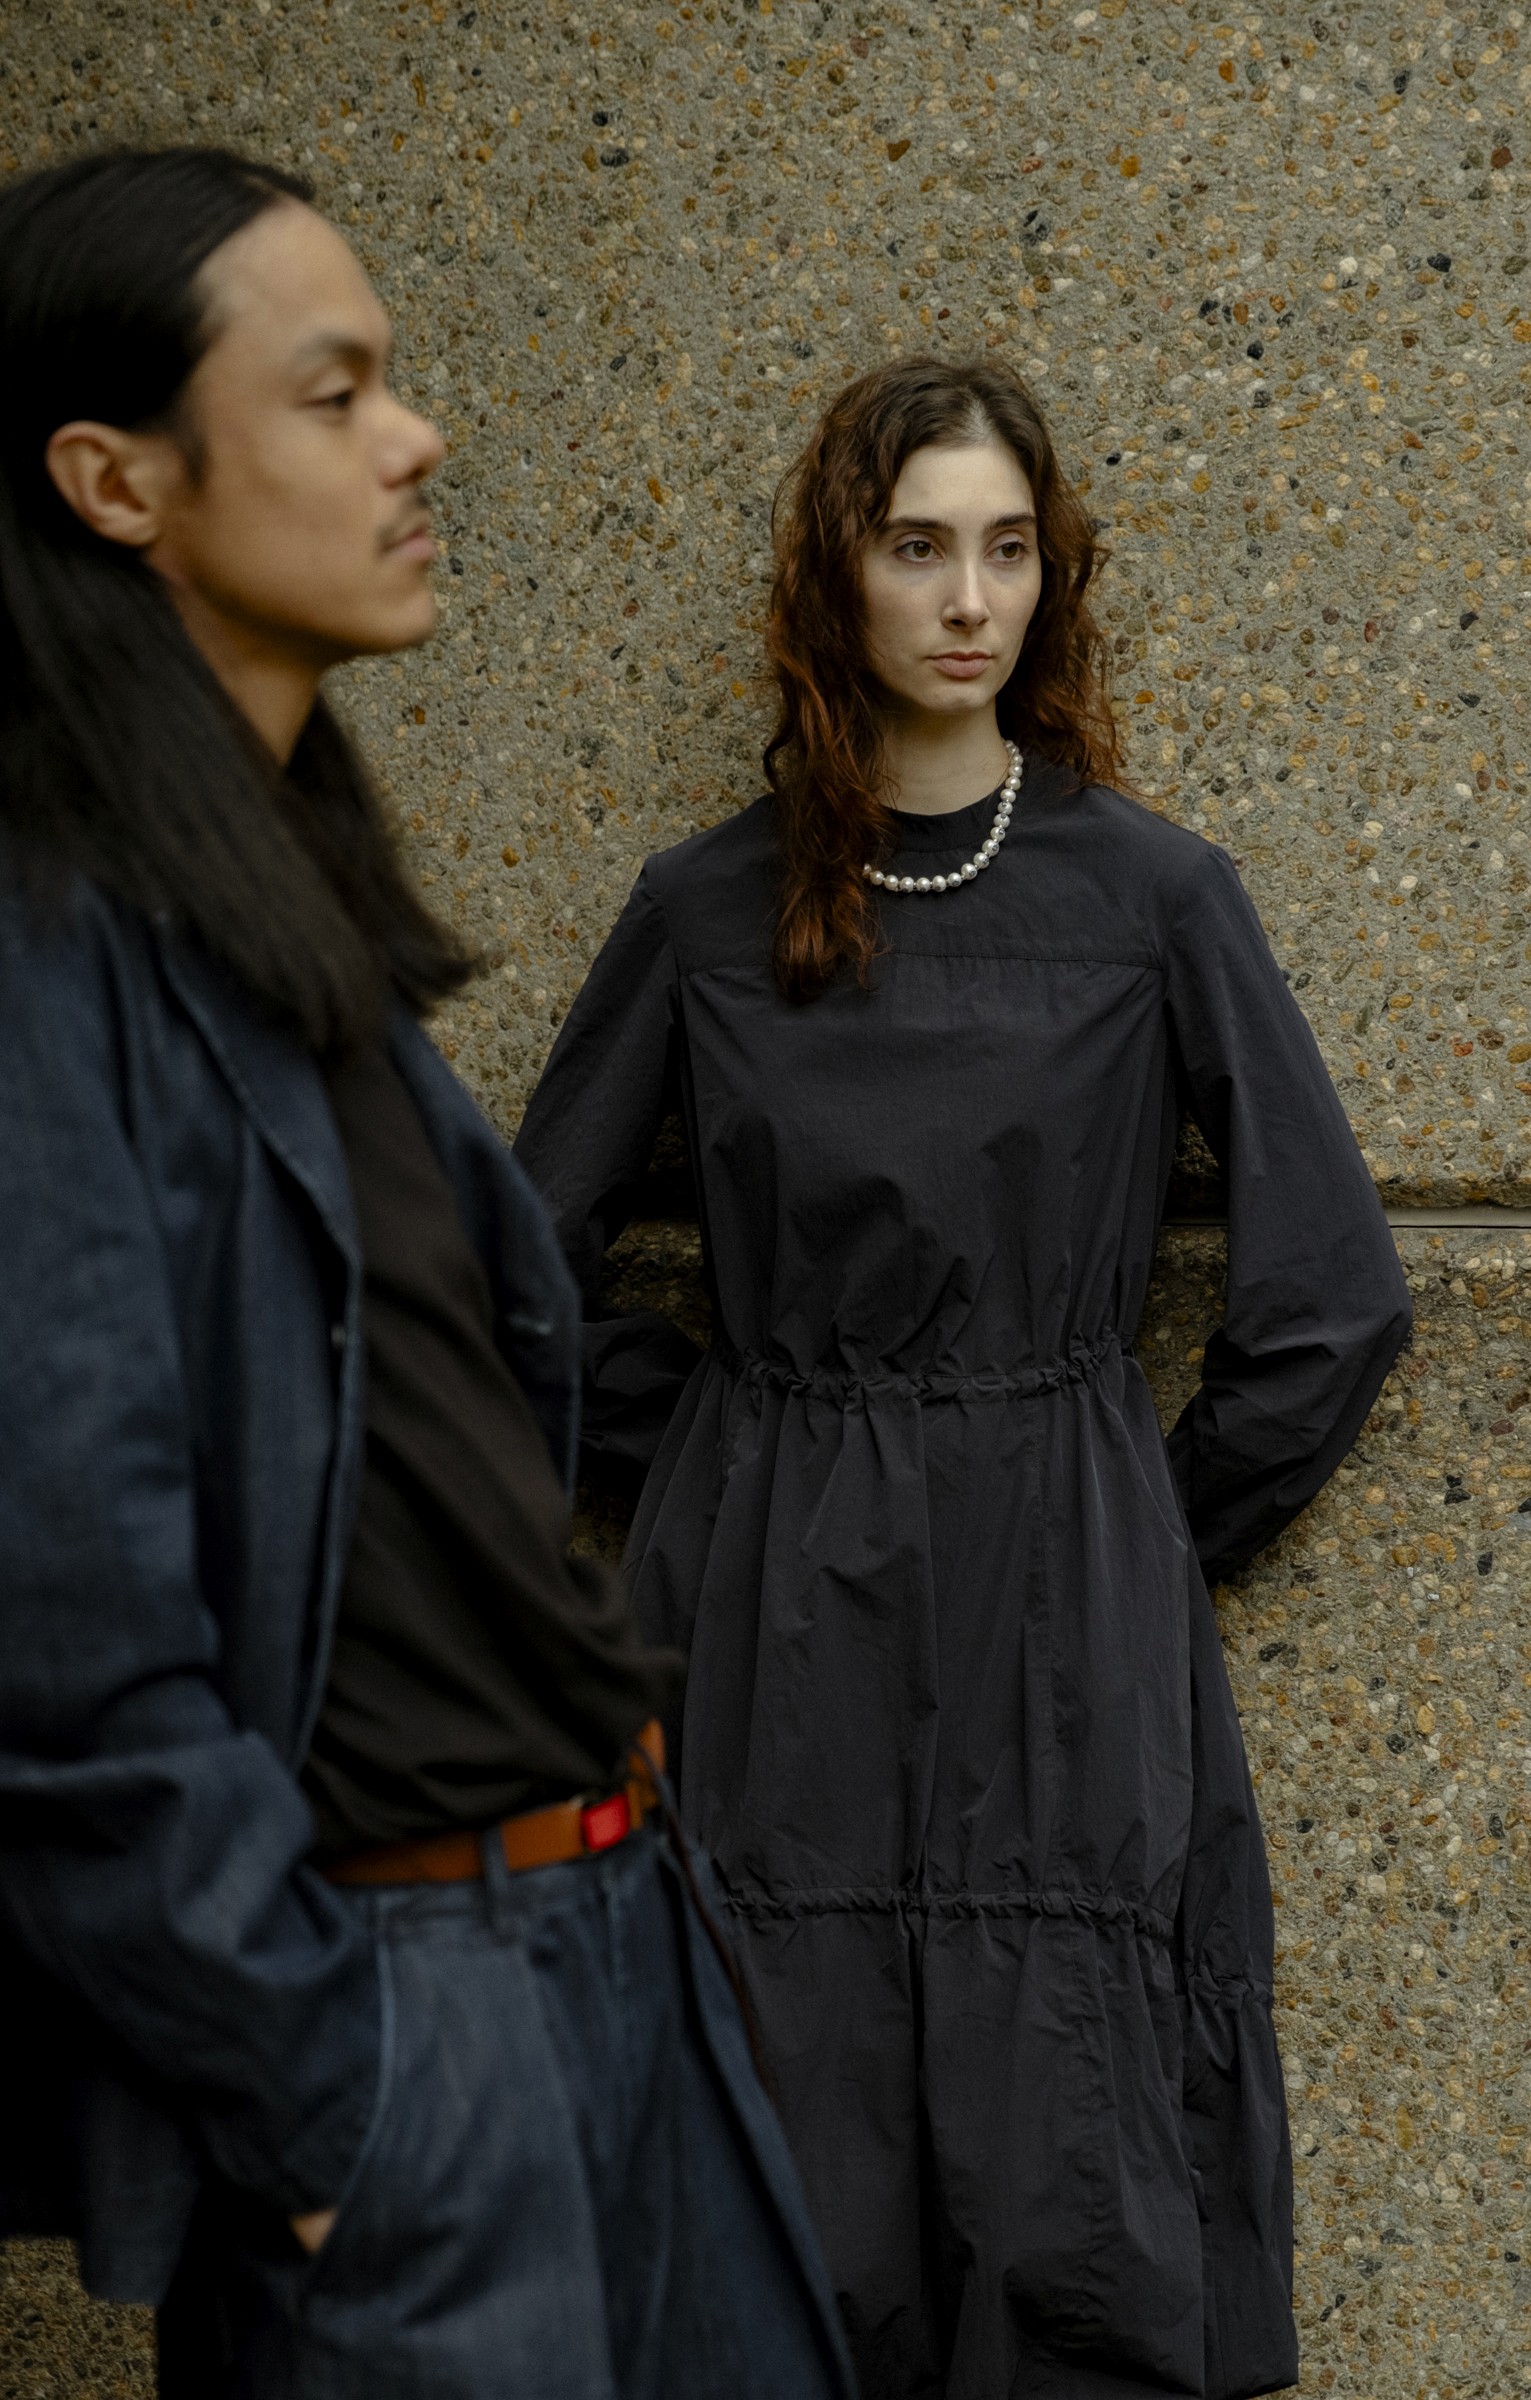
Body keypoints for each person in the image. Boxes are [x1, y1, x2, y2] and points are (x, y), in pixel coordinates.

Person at [0, 147, 853, 2400]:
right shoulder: (51, 948)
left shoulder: (285, 909)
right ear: (114, 482)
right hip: (404, 2018)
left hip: (615, 1942)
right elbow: (59, 1641)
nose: (418, 437)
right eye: (335, 392)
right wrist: (320, 2103)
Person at [514, 357, 1414, 2400]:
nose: (966, 598)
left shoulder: (1154, 898)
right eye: (916, 544)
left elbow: (1328, 1298)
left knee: (1061, 2158)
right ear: (834, 575)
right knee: (782, 2139)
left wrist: (1133, 1523)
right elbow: (501, 1287)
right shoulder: (708, 907)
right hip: (776, 1624)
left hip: (1059, 1610)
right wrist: (720, 1455)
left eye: (1007, 548)